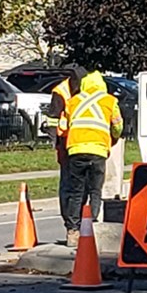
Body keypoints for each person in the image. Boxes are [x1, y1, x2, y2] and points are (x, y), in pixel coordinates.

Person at [60, 70, 123, 247]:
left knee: (76, 191)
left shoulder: (73, 102)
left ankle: (73, 231)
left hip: (76, 150)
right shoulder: (110, 101)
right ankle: (91, 227)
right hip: (98, 151)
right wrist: (113, 137)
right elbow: (118, 126)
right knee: (95, 191)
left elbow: (63, 126)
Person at [47, 64, 88, 237]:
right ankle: (71, 223)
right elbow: (52, 120)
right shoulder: (61, 92)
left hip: (84, 142)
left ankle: (81, 221)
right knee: (69, 185)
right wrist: (56, 143)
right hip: (66, 143)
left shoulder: (88, 91)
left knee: (84, 185)